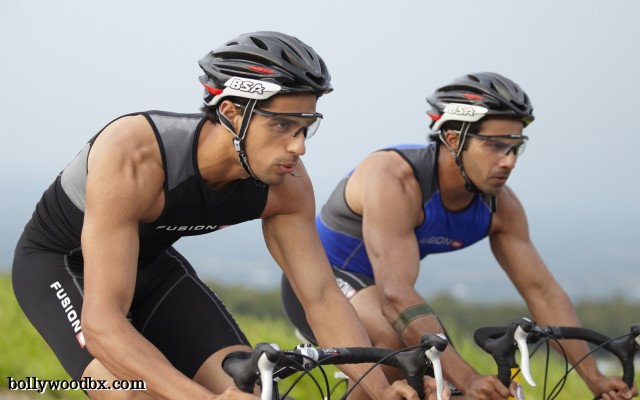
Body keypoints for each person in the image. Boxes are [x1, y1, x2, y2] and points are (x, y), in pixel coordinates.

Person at [12, 31, 447, 400]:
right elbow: (102, 322)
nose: (298, 146)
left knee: (249, 389)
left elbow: (320, 297)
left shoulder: (287, 183)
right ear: (232, 112)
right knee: (131, 393)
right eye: (282, 125)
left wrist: (379, 388)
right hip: (62, 264)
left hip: (152, 268)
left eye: (305, 126)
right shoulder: (135, 154)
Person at [281, 72, 638, 400]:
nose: (509, 161)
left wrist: (594, 378)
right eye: (495, 145)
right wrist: (467, 379)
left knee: (440, 380)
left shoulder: (500, 206)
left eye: (515, 146)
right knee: (400, 349)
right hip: (320, 282)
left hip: (384, 295)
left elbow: (542, 291)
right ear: (454, 138)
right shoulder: (394, 178)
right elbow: (395, 295)